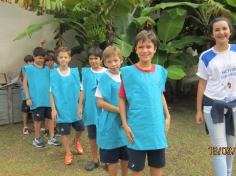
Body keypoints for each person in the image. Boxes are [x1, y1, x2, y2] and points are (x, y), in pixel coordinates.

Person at [119, 30, 171, 176]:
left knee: (157, 168)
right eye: (141, 47)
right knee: (136, 170)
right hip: (136, 130)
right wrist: (124, 124)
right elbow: (122, 99)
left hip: (156, 130)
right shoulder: (128, 73)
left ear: (155, 49)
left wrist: (167, 116)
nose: (145, 50)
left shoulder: (160, 72)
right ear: (135, 49)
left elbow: (159, 94)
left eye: (149, 46)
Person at [196, 16, 236, 176]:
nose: (221, 32)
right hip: (213, 107)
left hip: (234, 106)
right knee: (219, 148)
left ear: (230, 31)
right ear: (212, 34)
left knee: (231, 147)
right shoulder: (205, 56)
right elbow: (201, 84)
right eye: (217, 30)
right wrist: (198, 111)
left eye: (224, 28)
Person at [95, 46, 128, 176]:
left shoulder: (126, 76)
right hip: (110, 124)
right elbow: (100, 102)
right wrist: (119, 110)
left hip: (126, 124)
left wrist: (126, 116)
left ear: (121, 60)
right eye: (109, 62)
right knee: (112, 158)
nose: (113, 64)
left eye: (116, 60)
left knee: (126, 155)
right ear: (104, 63)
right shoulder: (103, 79)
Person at [50, 47, 84, 165]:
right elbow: (51, 93)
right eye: (61, 57)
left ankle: (76, 141)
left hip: (74, 108)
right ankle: (68, 153)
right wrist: (54, 109)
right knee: (64, 133)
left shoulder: (75, 72)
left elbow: (81, 90)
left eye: (65, 57)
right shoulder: (53, 74)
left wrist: (79, 106)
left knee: (80, 128)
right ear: (57, 59)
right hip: (61, 109)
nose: (63, 59)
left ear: (69, 58)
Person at [23, 47, 61, 148]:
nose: (41, 60)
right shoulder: (29, 68)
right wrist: (27, 98)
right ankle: (37, 139)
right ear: (34, 57)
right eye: (39, 58)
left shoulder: (49, 68)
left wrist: (52, 68)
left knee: (50, 119)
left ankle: (51, 138)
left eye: (42, 58)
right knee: (37, 120)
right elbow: (25, 84)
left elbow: (55, 77)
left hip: (49, 99)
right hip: (36, 100)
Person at [78, 46, 106, 171]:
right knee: (92, 135)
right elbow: (83, 90)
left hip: (105, 109)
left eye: (96, 58)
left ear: (101, 59)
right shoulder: (85, 72)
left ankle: (106, 159)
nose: (93, 61)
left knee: (105, 134)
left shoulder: (107, 72)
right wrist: (80, 106)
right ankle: (95, 160)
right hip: (90, 109)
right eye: (91, 59)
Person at [19, 55, 34, 135]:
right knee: (25, 111)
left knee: (34, 111)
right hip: (26, 95)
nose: (29, 63)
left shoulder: (35, 68)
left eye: (31, 61)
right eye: (27, 62)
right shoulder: (24, 68)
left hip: (34, 95)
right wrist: (25, 87)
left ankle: (36, 126)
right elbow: (21, 80)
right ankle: (25, 127)